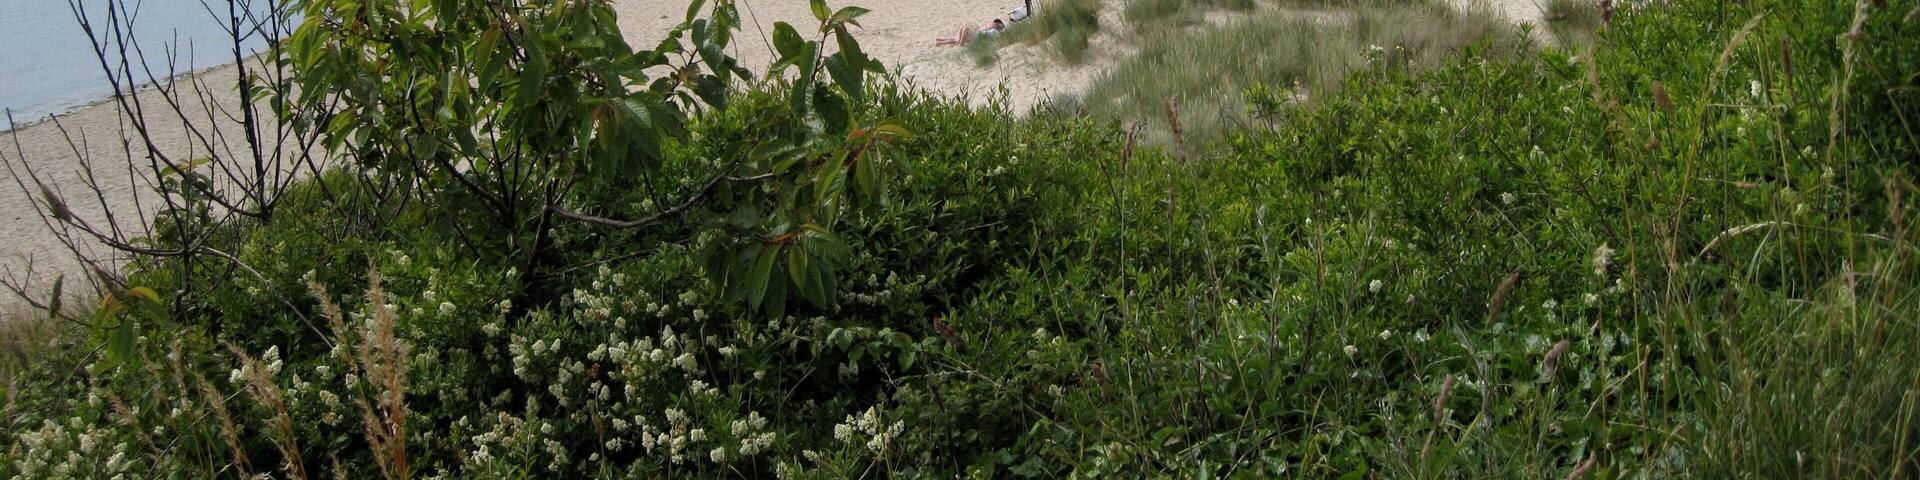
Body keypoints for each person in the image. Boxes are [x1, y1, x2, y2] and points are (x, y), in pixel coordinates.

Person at [935, 19, 1005, 46]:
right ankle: (940, 42)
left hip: (978, 38)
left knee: (965, 29)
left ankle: (960, 44)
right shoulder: (993, 29)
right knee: (962, 29)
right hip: (977, 36)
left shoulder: (996, 30)